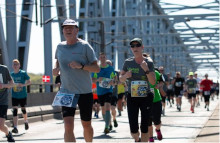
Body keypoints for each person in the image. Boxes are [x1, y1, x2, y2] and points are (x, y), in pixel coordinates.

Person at [52, 19, 100, 142]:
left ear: (76, 30)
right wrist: (56, 69)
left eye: (71, 28)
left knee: (86, 124)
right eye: (65, 28)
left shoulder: (85, 46)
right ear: (62, 30)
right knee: (67, 125)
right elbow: (57, 62)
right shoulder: (60, 47)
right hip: (66, 91)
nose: (68, 30)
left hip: (84, 92)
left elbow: (96, 68)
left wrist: (82, 66)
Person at [119, 38, 156, 142]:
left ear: (142, 47)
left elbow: (153, 82)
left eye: (137, 45)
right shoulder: (128, 62)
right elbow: (120, 79)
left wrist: (146, 70)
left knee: (145, 127)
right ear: (131, 49)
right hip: (132, 96)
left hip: (146, 97)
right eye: (132, 46)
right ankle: (137, 139)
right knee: (133, 129)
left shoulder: (149, 62)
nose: (135, 48)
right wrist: (125, 75)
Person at [92, 53, 116, 134]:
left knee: (107, 107)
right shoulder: (97, 69)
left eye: (104, 57)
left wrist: (113, 82)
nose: (102, 58)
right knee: (103, 109)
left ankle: (106, 127)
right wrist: (98, 79)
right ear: (99, 58)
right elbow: (93, 80)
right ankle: (108, 123)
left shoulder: (110, 68)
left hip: (108, 90)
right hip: (100, 92)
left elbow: (115, 79)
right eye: (101, 57)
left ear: (106, 58)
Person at [10, 59, 31, 133]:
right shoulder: (11, 74)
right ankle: (15, 127)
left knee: (23, 109)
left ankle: (26, 121)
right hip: (14, 95)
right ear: (12, 66)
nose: (15, 66)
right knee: (15, 110)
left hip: (22, 95)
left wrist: (23, 85)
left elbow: (29, 82)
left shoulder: (23, 73)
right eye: (14, 64)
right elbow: (9, 83)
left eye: (16, 64)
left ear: (19, 65)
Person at [148, 69, 165, 142]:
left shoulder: (155, 72)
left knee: (157, 122)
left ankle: (158, 130)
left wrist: (159, 85)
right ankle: (151, 138)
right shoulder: (139, 73)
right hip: (145, 102)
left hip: (156, 100)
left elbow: (162, 81)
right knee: (148, 122)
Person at [0, 63, 15, 142]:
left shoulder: (4, 69)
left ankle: (8, 134)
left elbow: (11, 84)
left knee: (1, 126)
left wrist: (4, 85)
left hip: (2, 101)